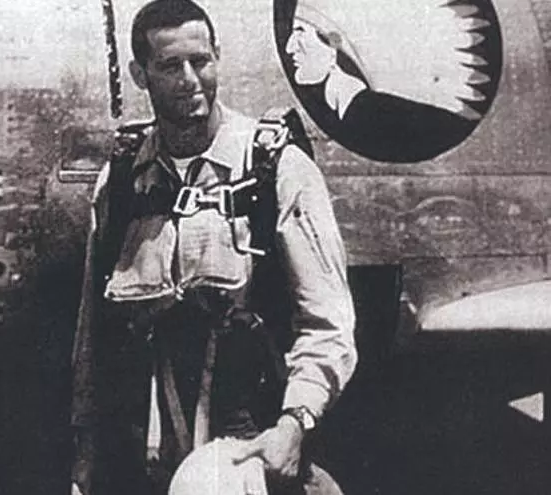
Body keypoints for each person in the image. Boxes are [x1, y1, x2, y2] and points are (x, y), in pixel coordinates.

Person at [70, 1, 357, 494]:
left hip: (250, 451)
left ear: (217, 57)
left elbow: (328, 324)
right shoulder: (121, 183)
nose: (189, 80)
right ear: (140, 75)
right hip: (146, 458)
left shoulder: (274, 169)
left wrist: (293, 426)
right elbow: (92, 339)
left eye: (200, 61)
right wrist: (86, 458)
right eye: (169, 66)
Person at [283, 2, 480, 163]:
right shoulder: (348, 110)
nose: (289, 48)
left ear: (334, 43)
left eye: (300, 32)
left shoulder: (386, 115)